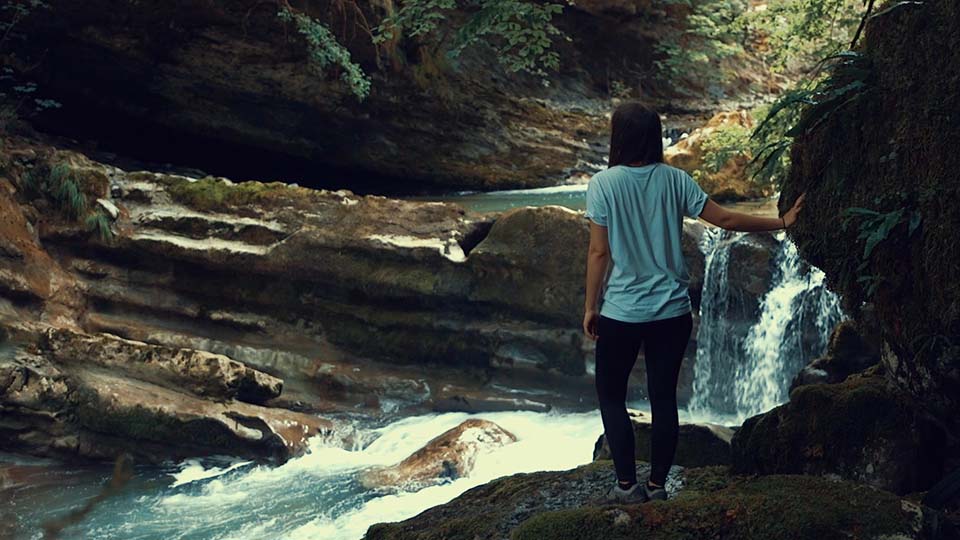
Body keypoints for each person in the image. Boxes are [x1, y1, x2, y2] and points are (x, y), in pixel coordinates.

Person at [583, 102, 805, 503]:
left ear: (619, 137)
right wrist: (782, 221)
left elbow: (599, 253)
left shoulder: (603, 184)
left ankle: (625, 486)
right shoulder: (675, 180)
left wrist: (590, 306)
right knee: (664, 398)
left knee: (612, 396)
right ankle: (656, 487)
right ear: (654, 136)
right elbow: (728, 221)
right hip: (672, 312)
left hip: (622, 312)